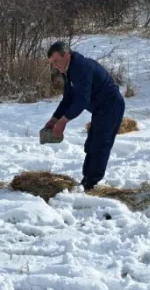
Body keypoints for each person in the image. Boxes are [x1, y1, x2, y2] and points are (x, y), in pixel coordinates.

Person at [44, 41, 126, 190]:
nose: (55, 66)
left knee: (100, 144)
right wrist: (54, 118)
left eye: (56, 61)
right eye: (52, 63)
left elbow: (82, 100)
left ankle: (91, 183)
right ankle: (87, 179)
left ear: (66, 54)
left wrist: (63, 121)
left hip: (111, 106)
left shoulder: (81, 67)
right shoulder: (68, 70)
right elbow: (68, 99)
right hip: (100, 110)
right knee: (91, 144)